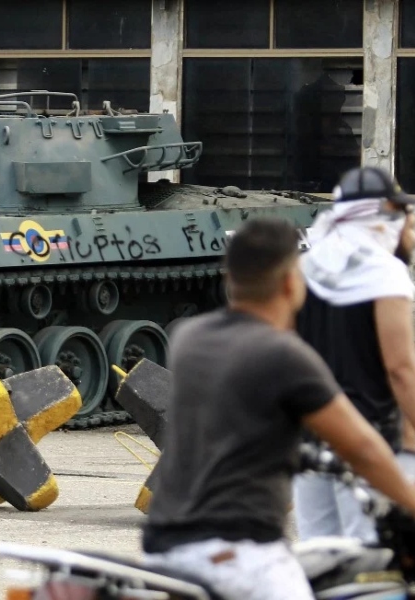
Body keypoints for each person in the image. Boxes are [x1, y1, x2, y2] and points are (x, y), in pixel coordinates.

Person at [141, 218, 415, 600]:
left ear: (229, 278)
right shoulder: (285, 355)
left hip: (164, 546)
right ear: (291, 282)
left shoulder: (191, 338)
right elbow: (362, 448)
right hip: (241, 555)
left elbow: (243, 422)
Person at [293, 166, 415, 543]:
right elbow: (401, 369)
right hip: (367, 439)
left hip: (309, 438)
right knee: (371, 554)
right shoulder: (384, 273)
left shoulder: (303, 268)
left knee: (321, 554)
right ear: (386, 216)